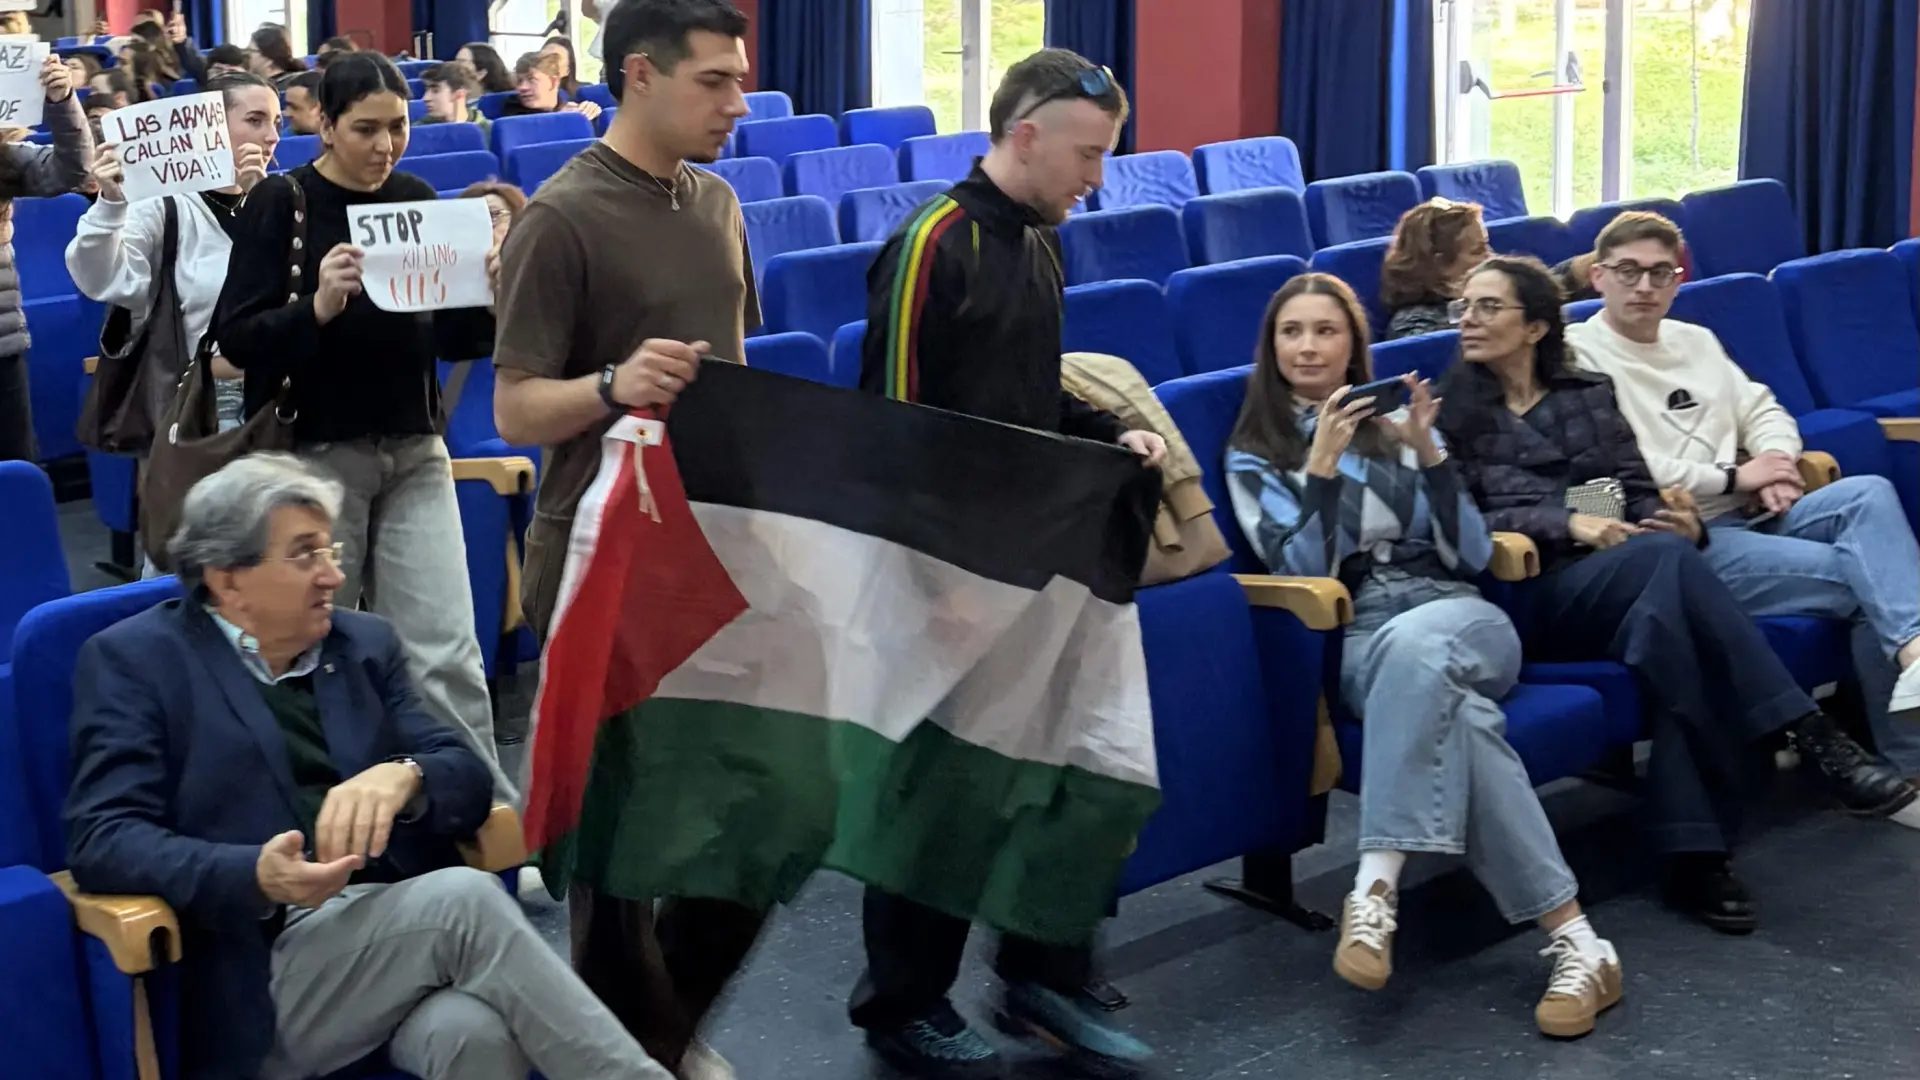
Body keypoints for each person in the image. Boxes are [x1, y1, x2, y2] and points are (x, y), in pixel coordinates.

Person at [63, 453, 674, 1080]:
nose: (333, 574)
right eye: (305, 555)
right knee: (463, 901)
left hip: (392, 937)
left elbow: (464, 776)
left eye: (330, 550)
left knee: (472, 1035)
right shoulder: (135, 663)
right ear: (227, 579)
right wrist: (253, 874)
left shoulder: (360, 645)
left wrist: (405, 774)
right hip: (257, 971)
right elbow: (103, 839)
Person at [1437, 255, 1917, 934]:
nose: (1469, 321)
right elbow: (1460, 518)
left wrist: (1670, 514)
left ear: (1536, 326)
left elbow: (1621, 486)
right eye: (1465, 307)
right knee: (1665, 566)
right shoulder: (1450, 410)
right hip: (1533, 593)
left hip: (1624, 575)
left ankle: (1697, 855)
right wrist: (1567, 520)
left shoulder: (1583, 392)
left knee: (1673, 626)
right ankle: (1805, 730)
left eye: (1489, 307)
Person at [850, 48, 1164, 1077]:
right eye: (1087, 152)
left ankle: (1043, 974)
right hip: (941, 577)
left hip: (1037, 561)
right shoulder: (931, 243)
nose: (1099, 177)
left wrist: (1107, 432)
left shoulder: (1040, 244)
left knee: (1059, 781)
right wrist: (932, 588)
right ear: (1024, 135)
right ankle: (903, 1004)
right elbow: (891, 431)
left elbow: (1025, 397)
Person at [1227, 272, 1622, 1037]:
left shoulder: (1399, 428)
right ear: (1271, 348)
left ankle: (1374, 889)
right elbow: (1303, 571)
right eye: (1292, 332)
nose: (1308, 346)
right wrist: (1320, 474)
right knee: (1467, 729)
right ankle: (1579, 943)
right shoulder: (1256, 452)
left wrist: (1431, 460)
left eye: (1326, 331)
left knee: (1424, 651)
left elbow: (1473, 553)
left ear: (1353, 347)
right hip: (1359, 633)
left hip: (1456, 615)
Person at [491, 3, 757, 1075]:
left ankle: (658, 1028)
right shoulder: (563, 219)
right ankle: (634, 1051)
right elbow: (514, 413)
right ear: (640, 75)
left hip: (712, 545)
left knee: (745, 811)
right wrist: (611, 384)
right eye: (715, 82)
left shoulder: (721, 198)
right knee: (614, 836)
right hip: (600, 554)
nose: (738, 103)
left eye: (740, 80)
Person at [213, 52, 508, 797]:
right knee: (315, 645)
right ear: (327, 125)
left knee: (446, 648)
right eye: (366, 129)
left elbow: (457, 342)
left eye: (399, 127)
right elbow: (236, 340)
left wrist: (491, 293)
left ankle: (482, 809)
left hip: (413, 447)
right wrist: (316, 308)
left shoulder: (414, 197)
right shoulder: (284, 203)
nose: (385, 145)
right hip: (313, 459)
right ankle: (319, 813)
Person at [1567, 211, 1920, 798]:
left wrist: (1777, 464)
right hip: (1683, 540)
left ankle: (1914, 653)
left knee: (1867, 493)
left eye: (1662, 273)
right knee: (1865, 579)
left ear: (1679, 279)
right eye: (1628, 271)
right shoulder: (1579, 356)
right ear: (1599, 277)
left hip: (1754, 509)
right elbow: (1625, 468)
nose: (1646, 287)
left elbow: (1763, 409)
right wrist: (1735, 476)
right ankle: (1910, 761)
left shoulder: (1695, 340)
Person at [68, 72, 281, 433]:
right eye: (255, 120)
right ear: (209, 125)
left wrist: (262, 204)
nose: (273, 136)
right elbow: (99, 278)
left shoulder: (283, 196)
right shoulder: (163, 207)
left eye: (277, 122)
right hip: (198, 402)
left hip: (283, 389)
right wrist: (110, 204)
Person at [0, 55, 92, 462]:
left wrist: (62, 100)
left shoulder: (6, 156)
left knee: (15, 465)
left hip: (1, 346)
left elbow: (72, 171)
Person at [1381, 197, 1490, 340]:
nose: (1490, 257)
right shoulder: (1414, 325)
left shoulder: (1495, 301)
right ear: (1441, 264)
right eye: (1478, 251)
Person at [503, 50, 601, 122]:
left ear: (553, 82)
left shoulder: (572, 108)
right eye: (519, 81)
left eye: (531, 79)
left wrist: (591, 111)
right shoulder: (512, 111)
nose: (522, 87)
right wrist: (560, 118)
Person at [422, 60, 491, 139]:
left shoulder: (487, 132)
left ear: (459, 94)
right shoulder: (419, 132)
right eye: (426, 90)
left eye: (435, 91)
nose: (425, 98)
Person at [282, 69, 325, 136]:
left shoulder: (343, 142)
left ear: (319, 109)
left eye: (294, 108)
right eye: (287, 105)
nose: (286, 113)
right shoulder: (279, 142)